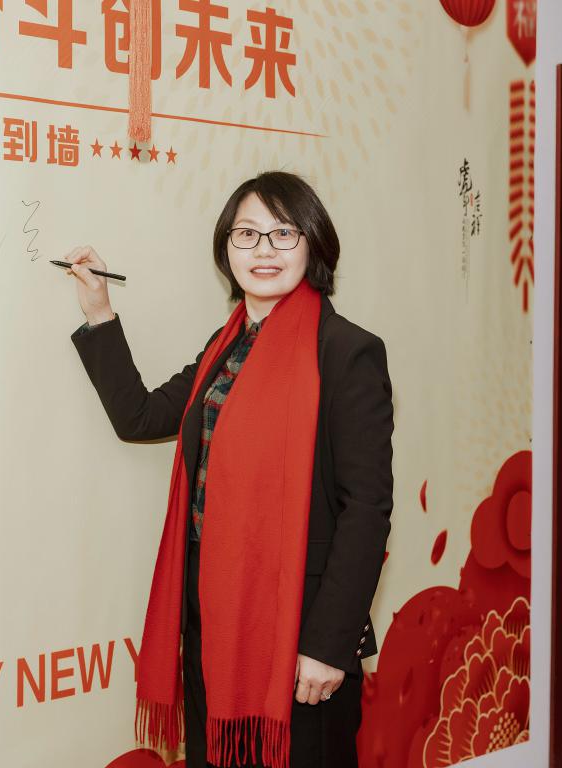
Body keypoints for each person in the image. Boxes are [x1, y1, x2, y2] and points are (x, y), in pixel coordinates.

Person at [64, 171, 393, 768]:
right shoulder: (226, 345)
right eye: (247, 233)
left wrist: (329, 644)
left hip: (300, 624)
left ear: (313, 243)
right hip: (213, 609)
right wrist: (100, 311)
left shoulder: (347, 352)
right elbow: (140, 416)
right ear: (227, 248)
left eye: (283, 233)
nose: (264, 250)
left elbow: (366, 510)